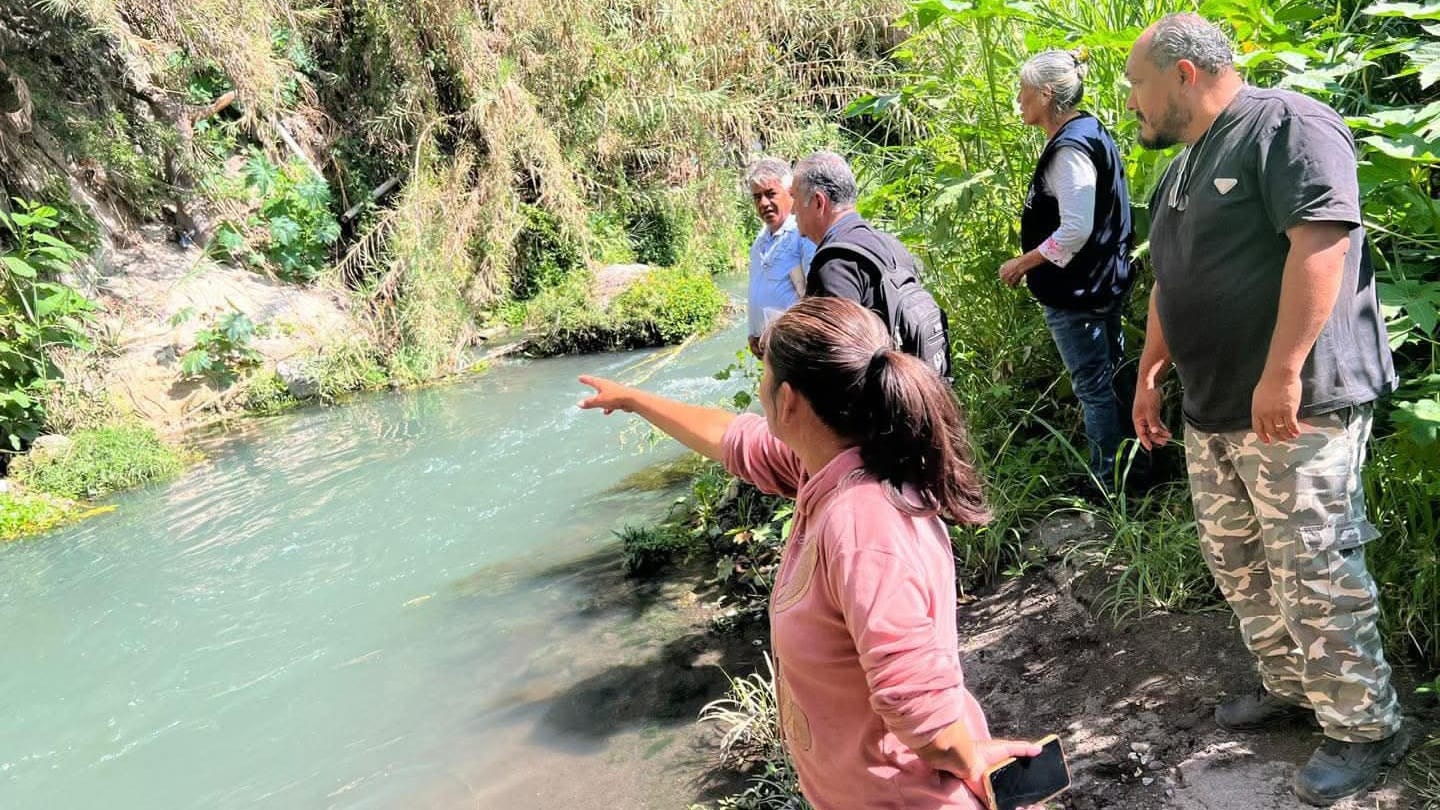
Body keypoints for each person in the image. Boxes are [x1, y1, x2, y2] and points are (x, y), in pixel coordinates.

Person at [578, 297, 1040, 809]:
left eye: (765, 375)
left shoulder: (862, 526)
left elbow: (920, 708)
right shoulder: (829, 463)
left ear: (788, 400)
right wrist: (635, 400)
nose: (759, 391)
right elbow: (731, 438)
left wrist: (971, 759)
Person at [1127, 14, 1408, 806]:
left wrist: (1282, 372)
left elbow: (1323, 242)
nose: (1132, 102)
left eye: (1137, 85)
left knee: (1314, 567)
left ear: (1184, 74)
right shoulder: (1180, 168)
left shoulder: (1285, 126)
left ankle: (1368, 727)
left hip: (1297, 403)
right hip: (1214, 407)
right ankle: (1291, 686)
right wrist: (1151, 369)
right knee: (1240, 562)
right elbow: (1170, 281)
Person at [999, 49, 1136, 489]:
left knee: (1094, 388)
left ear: (1045, 94)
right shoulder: (1088, 129)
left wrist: (1024, 262)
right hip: (1100, 281)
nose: (1018, 99)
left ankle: (1108, 484)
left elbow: (1076, 228)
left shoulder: (1071, 148)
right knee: (1111, 377)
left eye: (1023, 90)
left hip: (1078, 291)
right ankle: (1134, 469)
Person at [794, 150, 953, 378]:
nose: (793, 210)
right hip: (914, 388)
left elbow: (834, 366)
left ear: (819, 202)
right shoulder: (890, 244)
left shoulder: (836, 264)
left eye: (795, 199)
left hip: (877, 397)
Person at [744, 157, 815, 358]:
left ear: (790, 193)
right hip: (767, 348)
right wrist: (753, 332)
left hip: (792, 347)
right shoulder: (760, 239)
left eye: (770, 194)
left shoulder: (802, 235)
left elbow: (814, 296)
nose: (763, 203)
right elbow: (757, 288)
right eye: (757, 197)